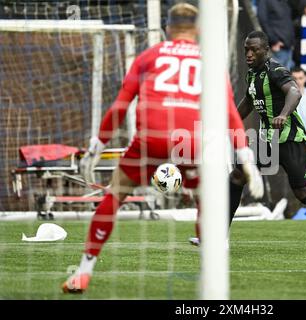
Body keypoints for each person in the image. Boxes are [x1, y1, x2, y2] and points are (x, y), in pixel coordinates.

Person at [61, 3, 263, 293]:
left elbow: (120, 105)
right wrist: (245, 156)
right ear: (198, 29)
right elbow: (229, 111)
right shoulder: (209, 60)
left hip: (150, 139)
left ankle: (84, 270)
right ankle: (210, 277)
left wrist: (98, 143)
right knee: (205, 201)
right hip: (189, 142)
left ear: (168, 28)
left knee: (115, 194)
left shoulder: (149, 56)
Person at [230, 30, 306, 241]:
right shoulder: (252, 73)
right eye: (246, 50)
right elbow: (249, 101)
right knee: (238, 176)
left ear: (266, 50)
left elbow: (294, 92)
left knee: (303, 193)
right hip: (267, 140)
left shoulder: (276, 70)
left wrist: (283, 114)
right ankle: (216, 236)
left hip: (290, 138)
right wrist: (228, 120)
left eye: (254, 50)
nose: (249, 54)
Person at [257, 0, 295, 69]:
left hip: (288, 46)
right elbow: (263, 21)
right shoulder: (265, 1)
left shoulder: (284, 2)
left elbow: (288, 21)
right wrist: (273, 40)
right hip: (278, 47)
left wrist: (292, 41)